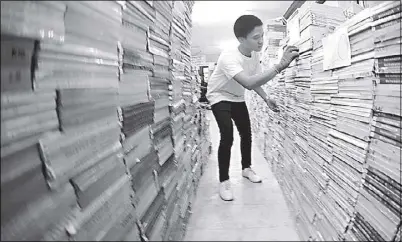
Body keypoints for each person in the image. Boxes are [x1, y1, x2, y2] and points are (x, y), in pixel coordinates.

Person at [206, 15, 299, 201]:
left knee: (246, 134)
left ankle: (246, 168)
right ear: (241, 39)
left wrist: (266, 98)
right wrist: (280, 66)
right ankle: (224, 180)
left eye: (262, 35)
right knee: (227, 135)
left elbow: (255, 80)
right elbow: (248, 83)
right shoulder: (228, 57)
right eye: (256, 37)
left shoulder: (255, 55)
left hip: (237, 98)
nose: (261, 41)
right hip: (219, 96)